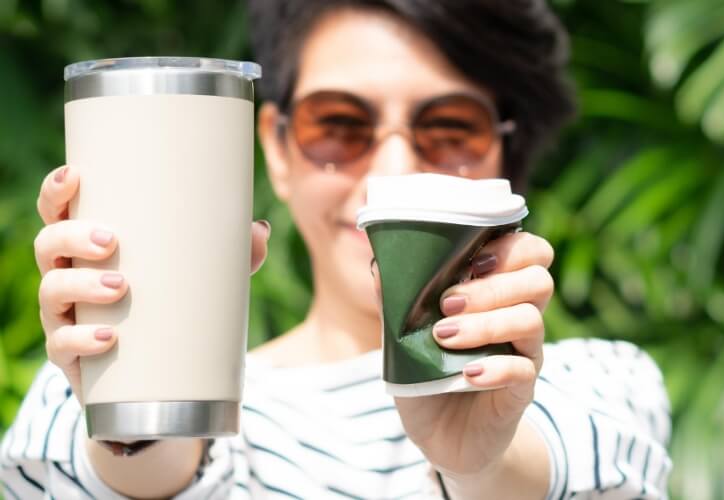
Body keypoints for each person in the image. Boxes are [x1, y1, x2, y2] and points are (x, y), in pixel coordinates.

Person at [0, 1, 672, 498]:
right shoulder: (86, 393)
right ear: (273, 147)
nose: (393, 170)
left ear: (504, 156)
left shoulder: (596, 384)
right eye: (340, 127)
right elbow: (136, 472)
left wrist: (484, 464)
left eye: (450, 129)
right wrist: (141, 405)